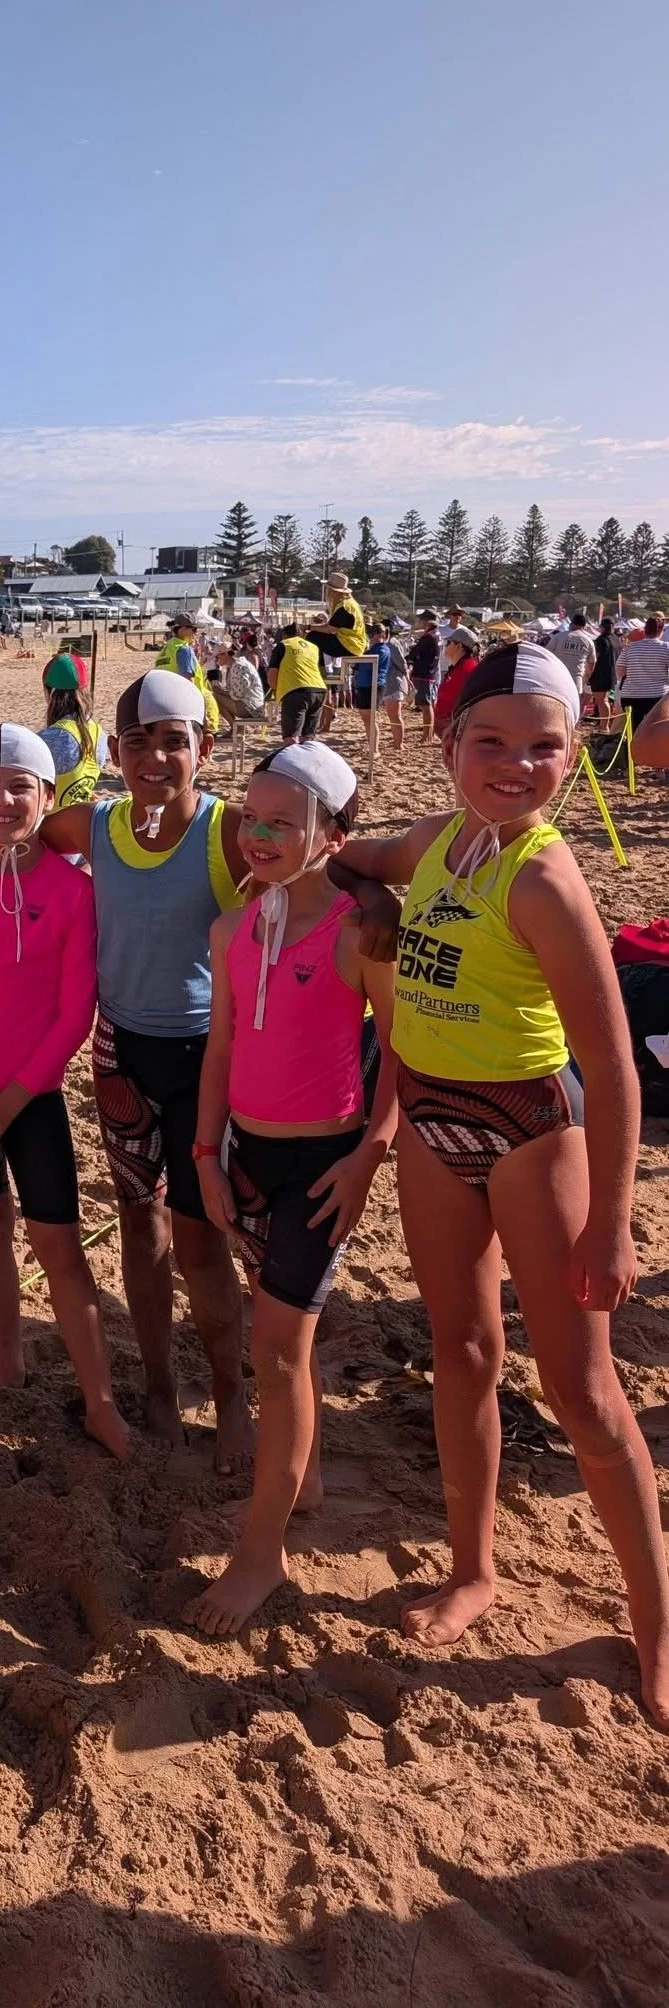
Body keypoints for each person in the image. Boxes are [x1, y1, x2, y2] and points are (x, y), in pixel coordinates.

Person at [0, 669, 398, 1469]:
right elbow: (10, 826)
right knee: (139, 1230)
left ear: (203, 749)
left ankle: (230, 1396)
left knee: (202, 1239)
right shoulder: (95, 824)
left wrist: (374, 897)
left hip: (205, 1059)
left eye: (173, 741)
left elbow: (317, 846)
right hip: (121, 1055)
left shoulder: (226, 828)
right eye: (138, 742)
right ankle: (155, 1389)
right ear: (114, 751)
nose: (154, 758)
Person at [340, 643, 669, 1723]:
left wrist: (614, 1223)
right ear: (450, 747)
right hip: (433, 1121)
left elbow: (612, 1067)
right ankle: (473, 1568)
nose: (517, 764)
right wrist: (361, 896)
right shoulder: (439, 839)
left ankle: (657, 1628)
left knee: (584, 1393)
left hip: (531, 1132)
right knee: (464, 1353)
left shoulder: (542, 877)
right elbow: (352, 856)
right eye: (492, 741)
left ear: (574, 756)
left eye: (543, 747)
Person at [186, 745, 397, 1633]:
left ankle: (261, 1553)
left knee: (275, 1350)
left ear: (333, 836)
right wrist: (205, 1155)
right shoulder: (232, 929)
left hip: (322, 1166)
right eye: (251, 818)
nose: (260, 835)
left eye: (284, 822)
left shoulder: (357, 933)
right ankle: (298, 1477)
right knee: (280, 1339)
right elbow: (222, 1048)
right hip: (246, 1155)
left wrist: (369, 1156)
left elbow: (399, 1057)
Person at [0, 724, 129, 1459]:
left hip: (30, 1100)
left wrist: (7, 1102)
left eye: (20, 788)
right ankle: (7, 1364)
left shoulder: (74, 891)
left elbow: (75, 1014)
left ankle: (100, 1401)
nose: (4, 801)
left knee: (59, 1244)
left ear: (47, 795)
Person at [39, 654, 108, 806]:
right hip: (82, 818)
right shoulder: (100, 734)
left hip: (53, 819)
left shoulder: (49, 738)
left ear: (51, 693)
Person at [269, 621, 327, 743]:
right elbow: (322, 672)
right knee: (308, 738)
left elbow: (272, 674)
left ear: (285, 635)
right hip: (319, 690)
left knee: (291, 738)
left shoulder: (283, 645)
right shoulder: (314, 647)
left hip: (296, 690)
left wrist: (276, 690)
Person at [614, 614, 669, 732]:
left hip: (631, 695)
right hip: (657, 696)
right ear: (660, 631)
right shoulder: (666, 648)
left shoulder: (630, 647)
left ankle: (632, 744)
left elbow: (620, 669)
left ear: (645, 630)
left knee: (633, 730)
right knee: (655, 730)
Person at [348, 622, 395, 760]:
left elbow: (367, 665)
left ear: (376, 635)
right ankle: (371, 747)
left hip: (374, 684)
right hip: (364, 684)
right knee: (366, 717)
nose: (370, 637)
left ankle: (375, 749)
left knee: (371, 717)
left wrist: (360, 657)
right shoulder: (374, 649)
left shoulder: (382, 649)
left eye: (371, 634)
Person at [432, 625, 480, 731]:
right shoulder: (458, 667)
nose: (445, 646)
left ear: (459, 646)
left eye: (448, 643)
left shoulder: (467, 669)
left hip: (456, 729)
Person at [213, 643, 267, 733]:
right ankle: (235, 727)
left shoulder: (239, 666)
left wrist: (221, 691)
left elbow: (238, 695)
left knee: (214, 697)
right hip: (250, 704)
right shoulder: (236, 665)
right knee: (216, 693)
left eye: (217, 657)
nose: (216, 660)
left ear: (225, 654)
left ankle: (235, 728)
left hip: (251, 708)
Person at [408, 612, 442, 742]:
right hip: (431, 673)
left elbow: (415, 652)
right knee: (429, 704)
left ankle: (427, 735)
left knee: (426, 705)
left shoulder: (428, 637)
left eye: (421, 620)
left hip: (424, 674)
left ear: (427, 622)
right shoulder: (437, 635)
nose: (420, 622)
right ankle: (430, 734)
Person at [546, 611, 595, 695]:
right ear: (583, 627)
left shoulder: (558, 637)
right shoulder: (588, 641)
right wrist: (585, 679)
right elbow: (592, 663)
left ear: (572, 624)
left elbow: (546, 654)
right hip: (576, 681)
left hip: (557, 679)